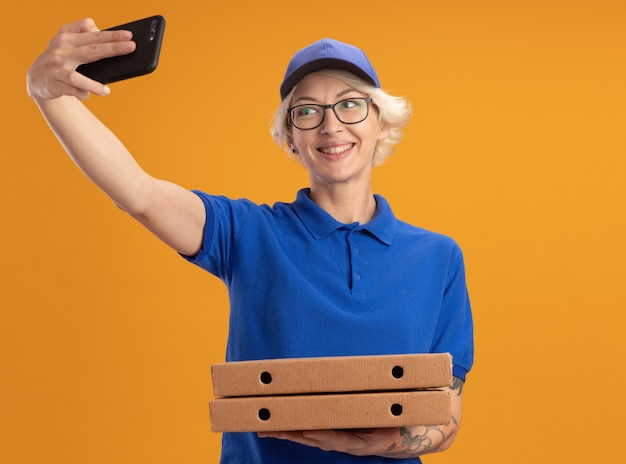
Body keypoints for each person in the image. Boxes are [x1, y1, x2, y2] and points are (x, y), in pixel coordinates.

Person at [27, 18, 474, 464]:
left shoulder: (438, 258)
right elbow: (138, 194)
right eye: (307, 111)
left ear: (381, 123)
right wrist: (49, 96)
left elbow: (444, 416)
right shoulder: (246, 232)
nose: (330, 126)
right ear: (291, 139)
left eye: (350, 105)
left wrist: (374, 444)